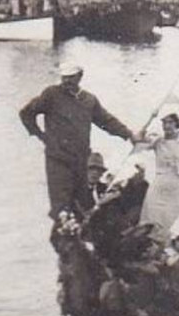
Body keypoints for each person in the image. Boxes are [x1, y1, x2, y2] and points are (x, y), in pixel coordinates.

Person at [19, 61, 134, 220]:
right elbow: (26, 113)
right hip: (57, 159)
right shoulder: (51, 94)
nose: (66, 81)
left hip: (81, 160)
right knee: (61, 206)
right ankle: (63, 232)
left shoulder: (89, 100)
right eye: (64, 77)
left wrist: (129, 135)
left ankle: (83, 238)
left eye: (71, 77)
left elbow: (106, 121)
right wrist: (40, 135)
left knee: (82, 203)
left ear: (80, 76)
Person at [142, 112, 179, 243]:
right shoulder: (158, 140)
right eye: (164, 123)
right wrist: (150, 118)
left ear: (176, 124)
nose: (167, 126)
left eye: (170, 122)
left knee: (174, 218)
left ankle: (171, 247)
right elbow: (139, 139)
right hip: (160, 183)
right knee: (153, 216)